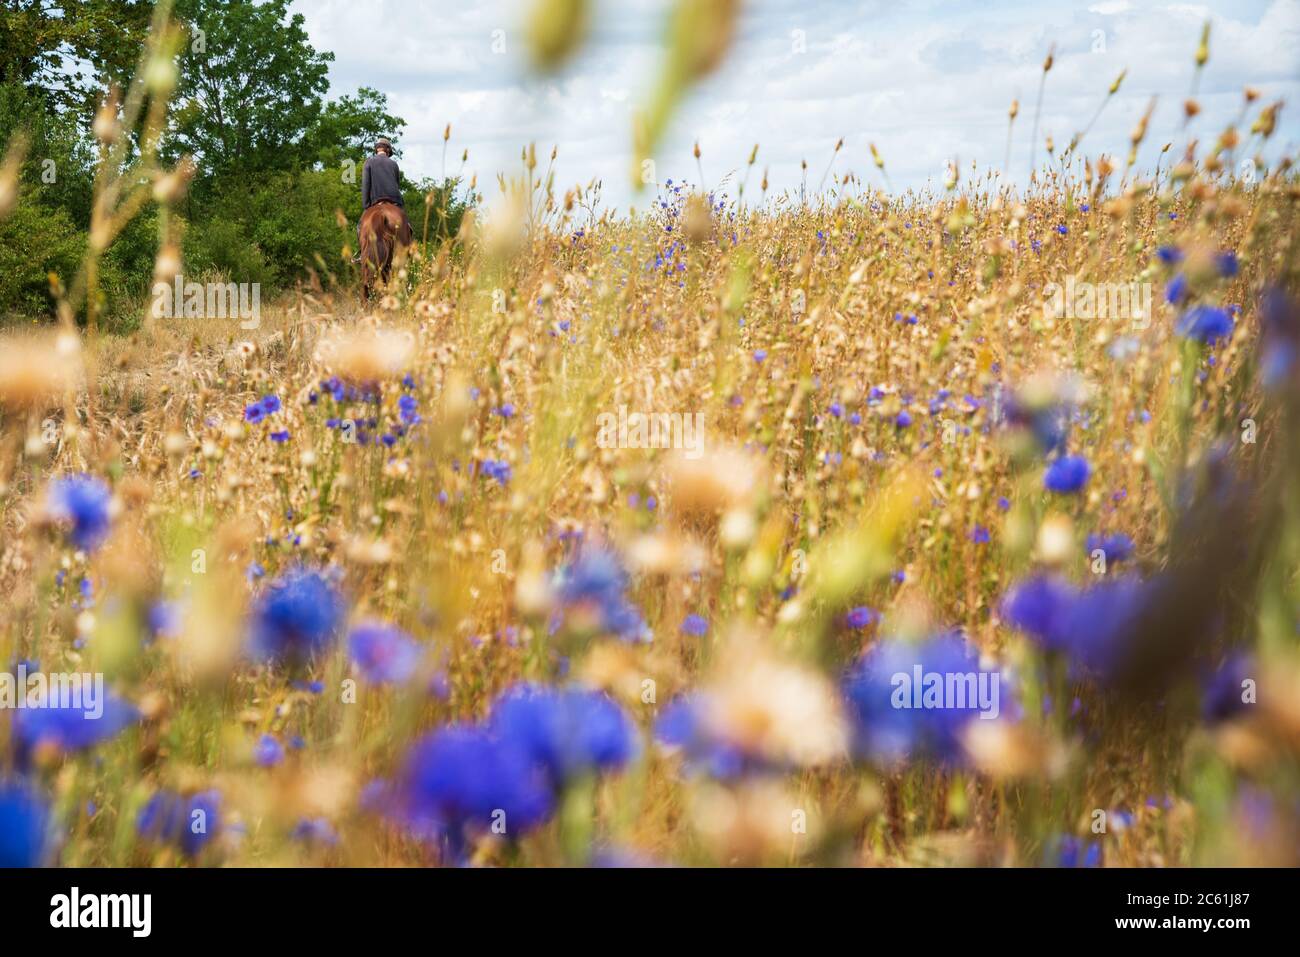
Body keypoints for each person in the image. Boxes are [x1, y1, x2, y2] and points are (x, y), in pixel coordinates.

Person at [355, 137, 408, 262]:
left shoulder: (368, 163)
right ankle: (408, 251)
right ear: (388, 150)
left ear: (376, 149)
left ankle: (362, 253)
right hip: (395, 201)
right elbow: (397, 185)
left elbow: (366, 185)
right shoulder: (394, 164)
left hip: (375, 201)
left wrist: (366, 205)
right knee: (407, 225)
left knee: (360, 226)